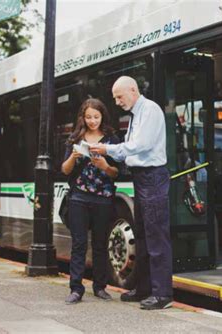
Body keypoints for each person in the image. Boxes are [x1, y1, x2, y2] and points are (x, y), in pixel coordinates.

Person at [90, 76, 173, 310]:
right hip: (142, 177)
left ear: (133, 90)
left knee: (156, 236)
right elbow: (132, 150)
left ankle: (163, 294)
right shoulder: (138, 114)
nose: (116, 102)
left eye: (119, 96)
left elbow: (140, 145)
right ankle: (146, 289)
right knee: (144, 235)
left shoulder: (150, 110)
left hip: (152, 176)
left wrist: (107, 148)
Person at [61, 98, 120, 305]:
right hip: (79, 197)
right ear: (82, 118)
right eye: (88, 117)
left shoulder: (112, 139)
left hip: (103, 198)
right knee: (79, 244)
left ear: (102, 116)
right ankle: (76, 289)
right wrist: (74, 157)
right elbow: (65, 170)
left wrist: (104, 165)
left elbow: (116, 173)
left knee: (100, 244)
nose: (92, 121)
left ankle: (100, 287)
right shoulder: (76, 138)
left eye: (96, 117)